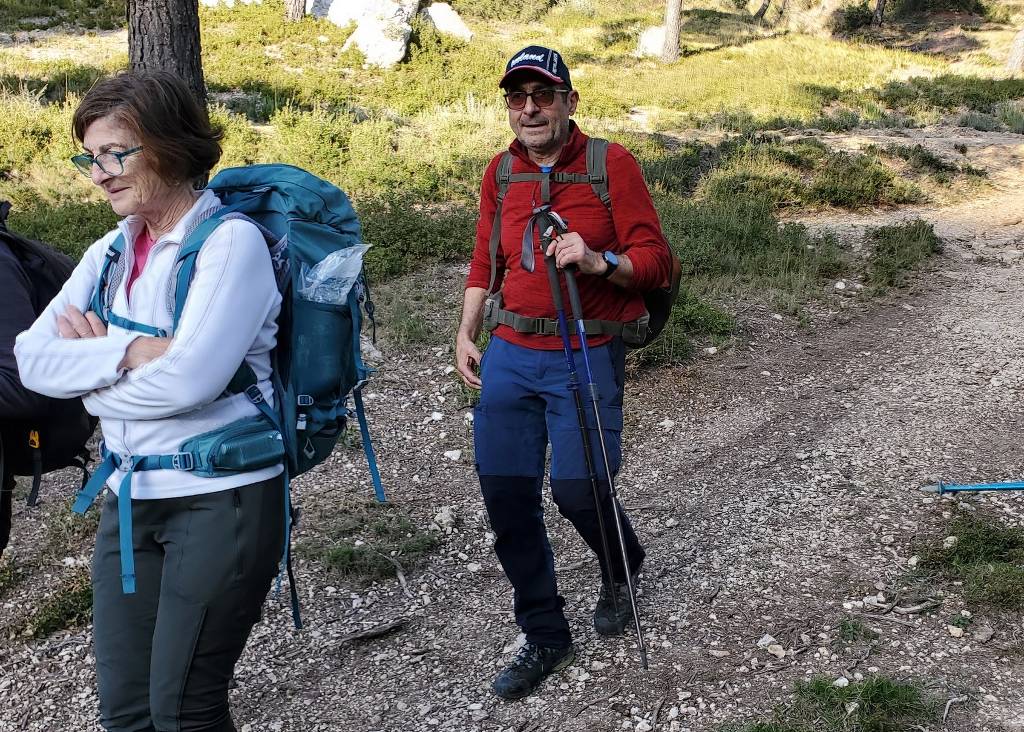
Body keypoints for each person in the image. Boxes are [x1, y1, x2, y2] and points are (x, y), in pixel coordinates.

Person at [15, 71, 284, 732]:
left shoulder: (230, 245)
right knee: (128, 712)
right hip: (128, 500)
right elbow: (28, 359)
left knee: (185, 710)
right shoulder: (108, 251)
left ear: (169, 144)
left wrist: (87, 376)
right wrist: (131, 353)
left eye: (117, 153)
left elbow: (189, 382)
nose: (100, 173)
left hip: (223, 497)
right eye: (90, 157)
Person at [455, 46, 673, 700]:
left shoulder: (612, 165)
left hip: (586, 347)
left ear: (569, 102)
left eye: (542, 96)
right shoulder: (501, 173)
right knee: (507, 498)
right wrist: (467, 331)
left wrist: (598, 259)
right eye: (516, 97)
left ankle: (620, 564)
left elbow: (657, 261)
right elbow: (483, 261)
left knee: (579, 491)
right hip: (511, 354)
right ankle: (546, 633)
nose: (528, 109)